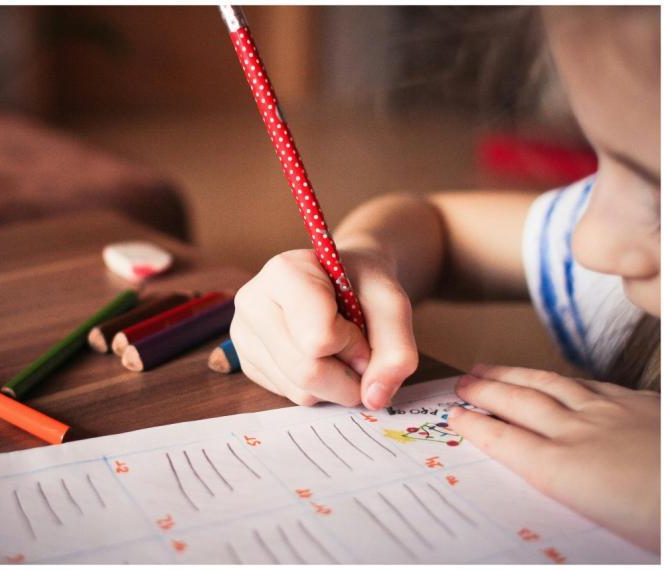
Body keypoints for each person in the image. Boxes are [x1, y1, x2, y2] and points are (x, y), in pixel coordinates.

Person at [229, 6, 660, 553]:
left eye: (657, 191)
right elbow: (438, 227)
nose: (587, 241)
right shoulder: (623, 257)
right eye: (601, 164)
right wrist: (368, 258)